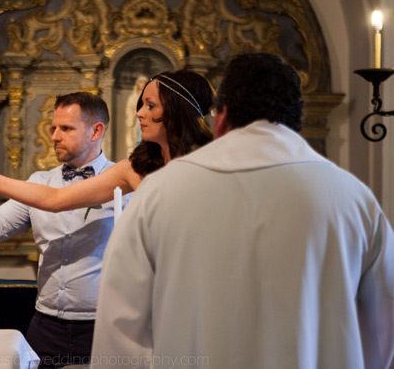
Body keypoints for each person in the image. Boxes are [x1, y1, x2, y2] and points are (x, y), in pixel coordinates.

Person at [89, 53, 394, 369]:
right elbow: (383, 324)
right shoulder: (354, 200)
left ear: (221, 119)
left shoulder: (158, 193)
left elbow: (121, 330)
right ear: (296, 121)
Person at [0, 92, 130, 368]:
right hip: (46, 327)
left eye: (66, 128)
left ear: (96, 131)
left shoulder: (126, 184)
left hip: (102, 326)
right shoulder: (40, 182)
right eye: (54, 127)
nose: (54, 136)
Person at [0, 69, 215, 213]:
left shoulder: (212, 165)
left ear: (177, 112)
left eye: (150, 105)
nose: (139, 112)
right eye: (141, 104)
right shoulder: (135, 168)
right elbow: (56, 198)